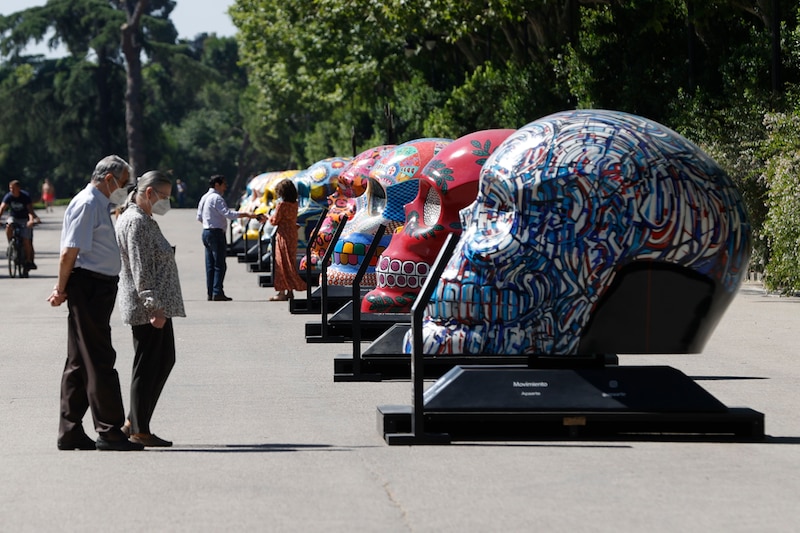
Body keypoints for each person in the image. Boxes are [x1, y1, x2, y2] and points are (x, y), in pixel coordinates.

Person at [47, 155, 144, 452]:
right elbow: (69, 252)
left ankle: (71, 431)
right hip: (88, 286)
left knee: (79, 362)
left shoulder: (99, 204)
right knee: (101, 358)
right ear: (108, 179)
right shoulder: (88, 203)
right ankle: (110, 429)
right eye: (123, 182)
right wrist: (60, 288)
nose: (125, 188)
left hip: (95, 286)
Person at [116, 171, 185, 447]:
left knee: (162, 360)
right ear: (149, 193)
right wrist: (153, 305)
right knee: (148, 366)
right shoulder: (136, 222)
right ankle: (139, 429)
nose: (166, 202)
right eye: (164, 197)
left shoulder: (143, 219)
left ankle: (134, 420)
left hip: (155, 304)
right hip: (148, 306)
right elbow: (140, 267)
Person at [196, 174, 260, 301]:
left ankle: (211, 292)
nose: (225, 187)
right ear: (217, 185)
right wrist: (247, 214)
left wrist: (209, 222)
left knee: (210, 264)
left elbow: (199, 217)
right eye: (224, 184)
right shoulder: (217, 198)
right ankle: (217, 291)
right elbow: (228, 214)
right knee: (220, 264)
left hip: (206, 232)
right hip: (216, 233)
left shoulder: (205, 197)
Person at [268, 179, 307, 301]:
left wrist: (268, 217)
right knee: (289, 261)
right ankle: (290, 290)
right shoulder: (294, 204)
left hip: (283, 234)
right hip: (292, 233)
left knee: (281, 263)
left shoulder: (281, 205)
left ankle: (281, 292)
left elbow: (275, 221)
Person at [0, 180, 41, 271]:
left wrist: (31, 221)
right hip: (13, 217)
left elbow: (30, 211)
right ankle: (11, 244)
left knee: (26, 240)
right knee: (8, 225)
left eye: (13, 188)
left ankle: (27, 260)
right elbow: (2, 208)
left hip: (24, 219)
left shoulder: (25, 196)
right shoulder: (9, 196)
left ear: (18, 188)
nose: (11, 190)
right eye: (10, 188)